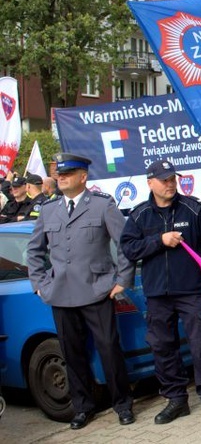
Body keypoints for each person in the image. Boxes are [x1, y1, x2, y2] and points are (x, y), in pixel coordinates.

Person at [27, 153, 135, 429]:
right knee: (71, 354)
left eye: (67, 174)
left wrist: (122, 278)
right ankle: (83, 407)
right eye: (59, 175)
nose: (61, 178)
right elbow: (35, 251)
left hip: (97, 290)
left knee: (109, 350)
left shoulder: (102, 205)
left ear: (83, 177)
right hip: (61, 295)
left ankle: (122, 404)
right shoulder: (49, 210)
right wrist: (40, 284)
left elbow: (125, 242)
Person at [120, 161, 201, 428]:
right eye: (164, 179)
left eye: (172, 179)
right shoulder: (139, 215)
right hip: (157, 294)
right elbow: (129, 249)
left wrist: (197, 269)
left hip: (191, 291)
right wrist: (159, 241)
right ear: (150, 183)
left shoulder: (194, 208)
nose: (170, 183)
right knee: (163, 348)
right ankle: (176, 400)